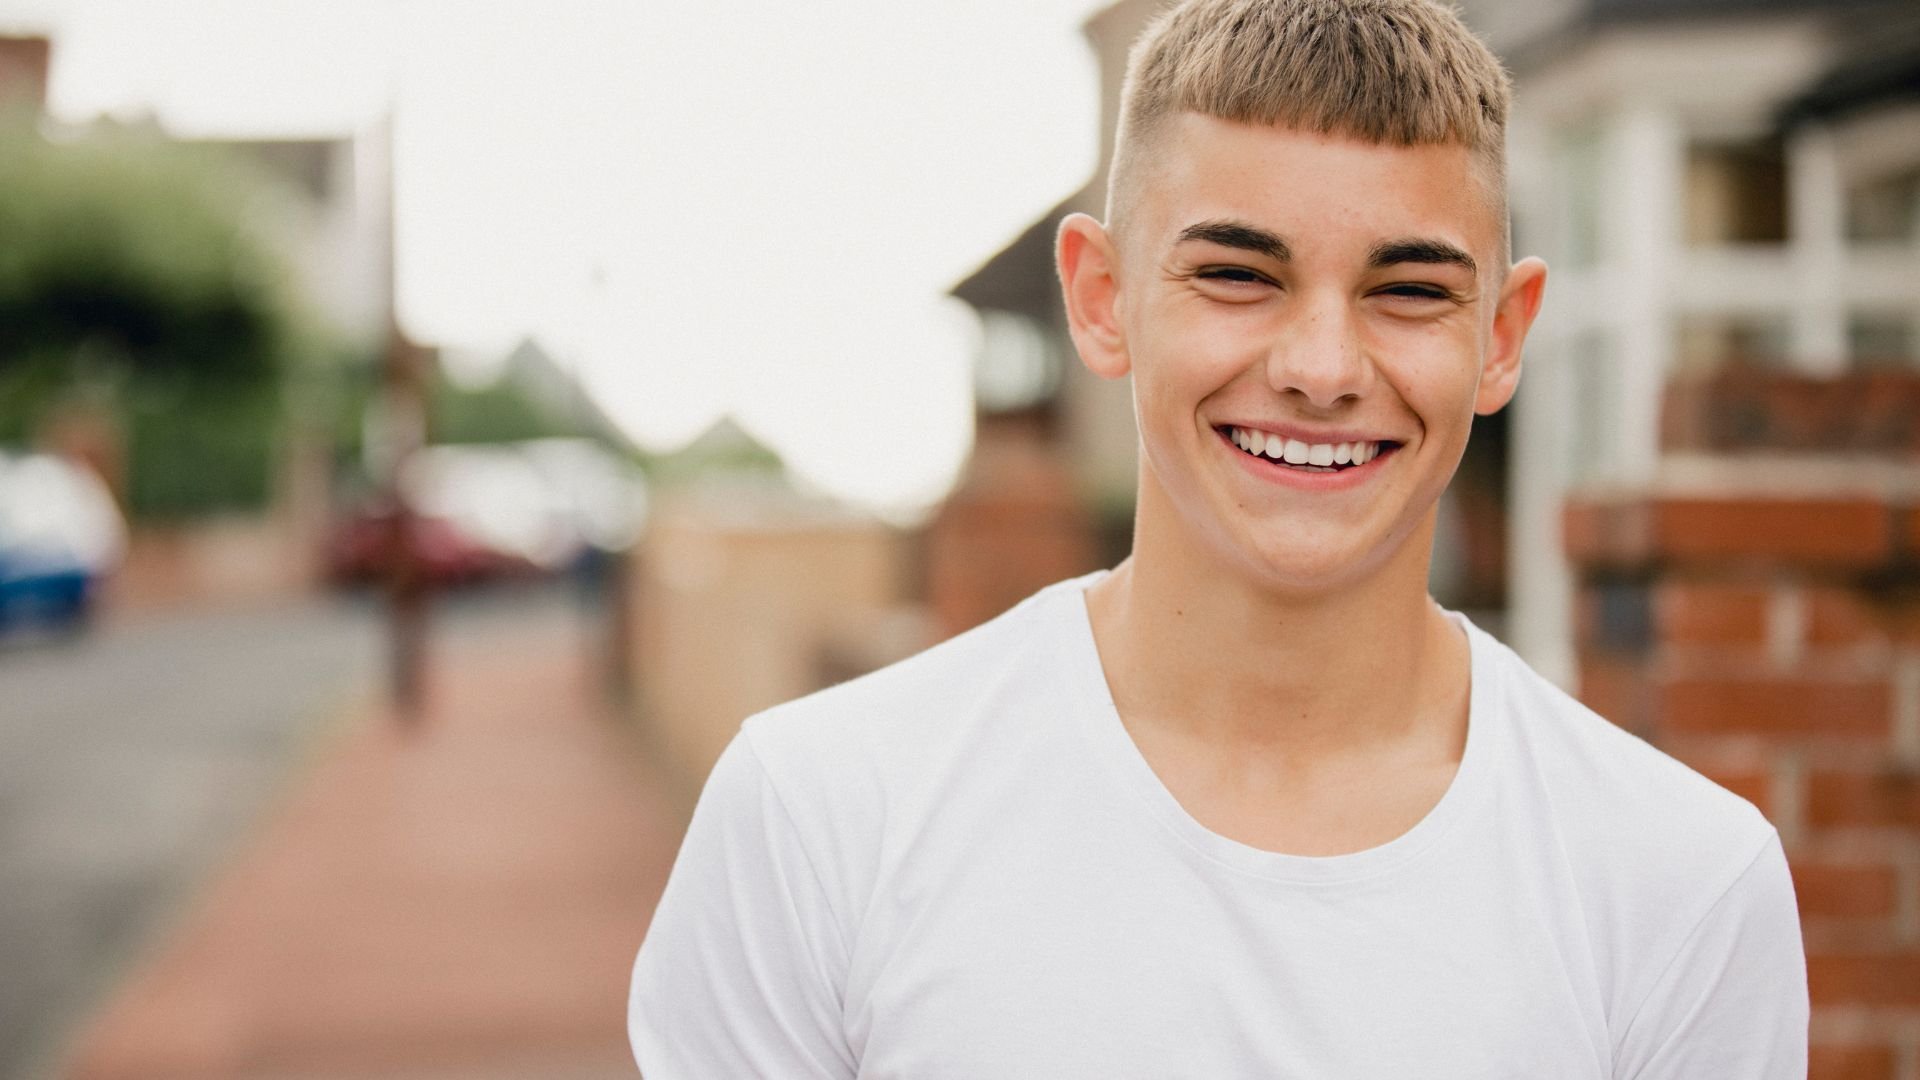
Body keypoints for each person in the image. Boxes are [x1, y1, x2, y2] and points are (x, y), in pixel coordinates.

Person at [628, 0, 1809, 1074]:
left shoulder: (1681, 884)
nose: (1321, 369)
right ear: (1102, 298)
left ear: (1501, 337)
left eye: (1408, 291)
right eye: (1239, 274)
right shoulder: (823, 814)